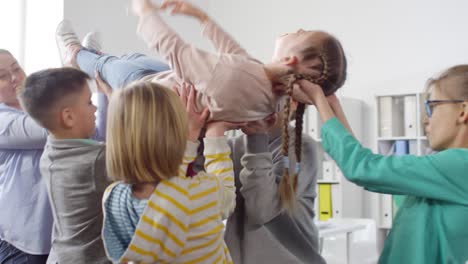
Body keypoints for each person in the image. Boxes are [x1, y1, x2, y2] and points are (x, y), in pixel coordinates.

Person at [291, 65, 468, 263]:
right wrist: (331, 105)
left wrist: (318, 100)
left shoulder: (460, 165)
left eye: (432, 106)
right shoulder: (444, 174)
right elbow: (365, 162)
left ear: (463, 110)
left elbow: (362, 168)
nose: (425, 120)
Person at [101, 81, 240, 263]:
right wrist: (215, 136)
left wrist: (189, 138)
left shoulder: (113, 198)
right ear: (175, 136)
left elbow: (169, 189)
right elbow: (227, 197)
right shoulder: (200, 192)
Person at [18, 67, 111, 264]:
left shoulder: (52, 148)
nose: (94, 108)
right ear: (68, 117)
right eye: (89, 102)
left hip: (62, 256)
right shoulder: (95, 160)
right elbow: (142, 162)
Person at [225, 98, 326, 264]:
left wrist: (257, 136)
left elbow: (262, 210)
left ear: (293, 102)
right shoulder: (233, 146)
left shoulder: (302, 147)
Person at [0, 49, 52, 263]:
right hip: (21, 244)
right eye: (2, 76)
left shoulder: (42, 108)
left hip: (53, 240)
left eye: (16, 68)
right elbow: (49, 130)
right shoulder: (2, 120)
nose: (14, 78)